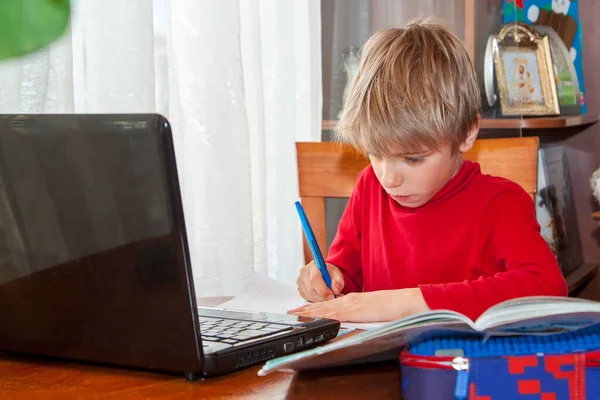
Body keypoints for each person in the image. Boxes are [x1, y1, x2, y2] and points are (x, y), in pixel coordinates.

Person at [290, 19, 568, 323]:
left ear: (467, 132)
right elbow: (345, 280)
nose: (389, 178)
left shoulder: (500, 203)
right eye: (375, 153)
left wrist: (412, 301)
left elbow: (547, 286)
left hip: (464, 365)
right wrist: (325, 278)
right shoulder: (370, 185)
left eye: (413, 159)